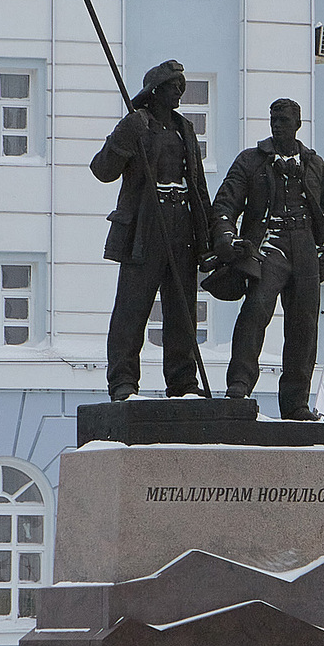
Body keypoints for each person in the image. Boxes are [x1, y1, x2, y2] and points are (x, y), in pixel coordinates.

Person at [212, 97, 324, 420]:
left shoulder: (314, 165)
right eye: (274, 119)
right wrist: (226, 236)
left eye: (284, 121)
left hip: (305, 250)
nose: (277, 125)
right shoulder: (251, 161)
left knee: (304, 327)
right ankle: (239, 385)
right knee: (254, 312)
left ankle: (296, 404)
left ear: (297, 125)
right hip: (268, 246)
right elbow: (225, 204)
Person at [91, 60, 214, 402]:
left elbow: (198, 184)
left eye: (182, 86)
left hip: (181, 223)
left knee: (182, 308)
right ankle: (123, 383)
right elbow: (102, 170)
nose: (180, 91)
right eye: (174, 85)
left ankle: (183, 383)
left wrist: (206, 236)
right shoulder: (136, 124)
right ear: (156, 90)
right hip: (145, 226)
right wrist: (123, 137)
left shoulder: (184, 128)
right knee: (132, 308)